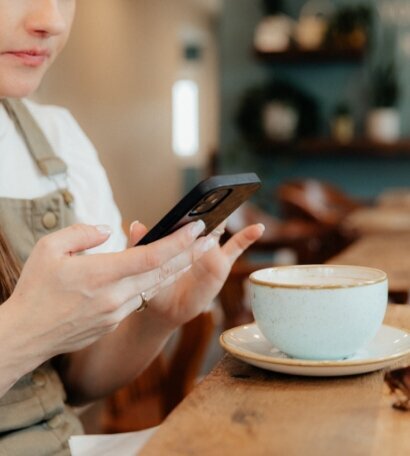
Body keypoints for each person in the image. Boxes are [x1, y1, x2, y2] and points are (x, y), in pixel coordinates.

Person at [0, 1, 264, 454]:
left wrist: (158, 316)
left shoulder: (57, 141)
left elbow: (79, 383)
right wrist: (22, 333)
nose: (52, 20)